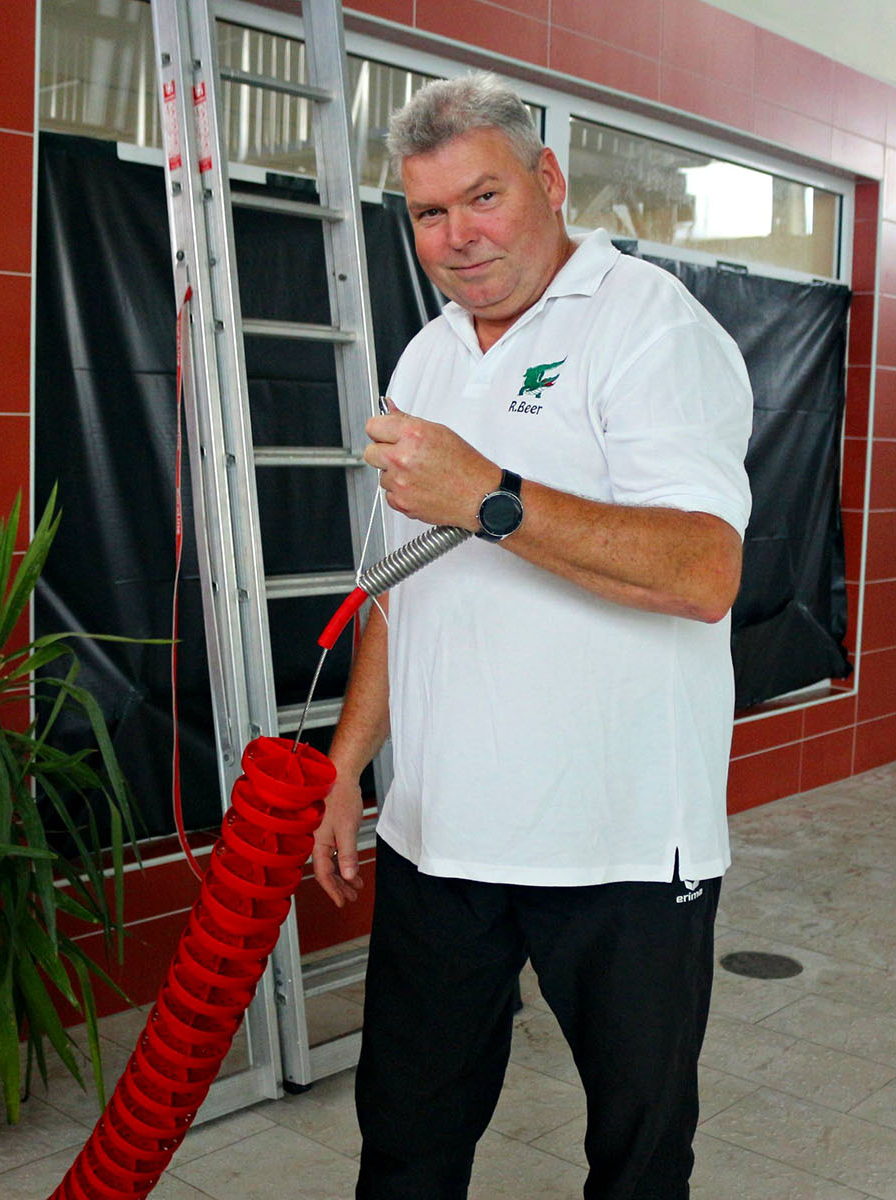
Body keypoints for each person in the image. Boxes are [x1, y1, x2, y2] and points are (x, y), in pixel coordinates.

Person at [311, 72, 753, 1200]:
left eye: (484, 197)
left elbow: (704, 572)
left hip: (618, 843)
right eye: (429, 212)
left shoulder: (650, 326)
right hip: (440, 835)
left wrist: (489, 495)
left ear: (549, 181)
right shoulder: (427, 356)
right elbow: (401, 587)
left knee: (637, 1160)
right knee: (405, 1145)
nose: (458, 237)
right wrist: (348, 764)